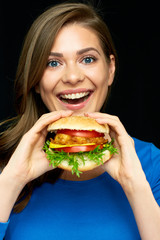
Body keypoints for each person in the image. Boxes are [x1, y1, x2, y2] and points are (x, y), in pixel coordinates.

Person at [0, 2, 160, 239]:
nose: (73, 77)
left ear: (110, 69)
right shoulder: (5, 163)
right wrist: (11, 180)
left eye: (87, 59)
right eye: (52, 63)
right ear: (35, 80)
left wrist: (135, 185)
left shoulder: (152, 164)